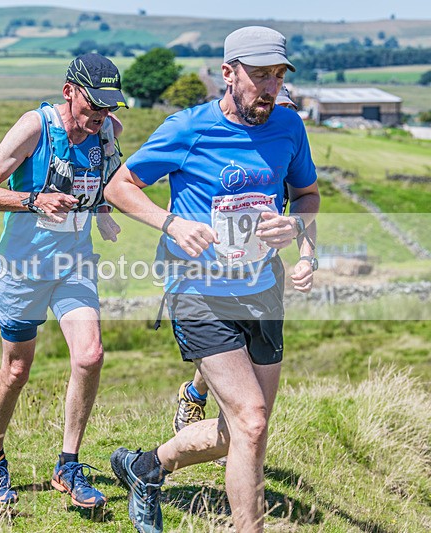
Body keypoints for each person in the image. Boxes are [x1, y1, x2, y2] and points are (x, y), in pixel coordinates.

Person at [104, 27, 320, 533]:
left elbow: (306, 194)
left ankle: (146, 467)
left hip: (262, 288)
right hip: (197, 291)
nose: (270, 87)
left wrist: (300, 237)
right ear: (229, 73)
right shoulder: (187, 128)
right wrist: (172, 222)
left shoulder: (289, 128)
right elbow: (120, 186)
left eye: (278, 76)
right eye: (259, 75)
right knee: (252, 419)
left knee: (243, 430)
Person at [0, 53, 125, 508]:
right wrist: (35, 200)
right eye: (94, 105)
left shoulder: (107, 131)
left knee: (90, 356)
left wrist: (103, 211)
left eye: (109, 107)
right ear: (68, 91)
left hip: (74, 266)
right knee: (16, 370)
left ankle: (68, 465)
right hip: (24, 269)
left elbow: (102, 182)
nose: (100, 116)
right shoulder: (34, 128)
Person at [172, 83, 312, 441]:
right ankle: (197, 395)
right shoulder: (237, 154)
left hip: (264, 274)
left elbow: (305, 209)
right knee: (233, 361)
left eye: (289, 110)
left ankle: (227, 433)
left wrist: (307, 258)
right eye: (281, 109)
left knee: (250, 355)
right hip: (210, 280)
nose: (284, 118)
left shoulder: (285, 154)